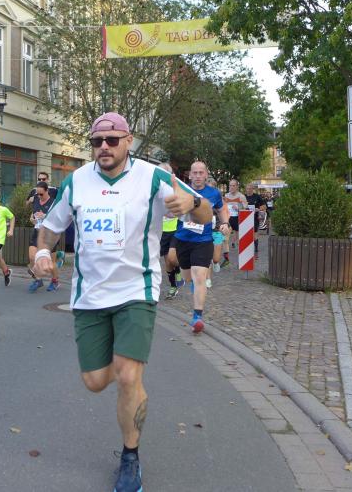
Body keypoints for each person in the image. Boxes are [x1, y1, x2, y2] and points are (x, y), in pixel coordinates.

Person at [34, 112, 212, 492]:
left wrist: (193, 201)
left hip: (137, 291)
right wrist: (42, 254)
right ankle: (127, 372)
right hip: (90, 296)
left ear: (128, 141)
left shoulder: (153, 177)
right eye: (97, 141)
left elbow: (206, 212)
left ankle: (130, 456)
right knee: (95, 381)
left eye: (112, 140)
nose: (104, 147)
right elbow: (50, 228)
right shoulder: (77, 181)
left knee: (128, 376)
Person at [173, 162, 230, 333]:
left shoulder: (214, 193)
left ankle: (197, 317)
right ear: (190, 175)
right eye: (195, 173)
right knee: (188, 277)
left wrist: (225, 222)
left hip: (203, 240)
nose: (198, 176)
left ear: (206, 175)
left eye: (201, 173)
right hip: (182, 239)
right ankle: (195, 285)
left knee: (200, 276)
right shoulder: (182, 190)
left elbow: (222, 209)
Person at [27, 181, 60, 292]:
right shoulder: (36, 199)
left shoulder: (53, 203)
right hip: (37, 232)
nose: (39, 196)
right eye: (37, 194)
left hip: (50, 234)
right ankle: (38, 280)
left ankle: (55, 281)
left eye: (41, 194)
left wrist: (45, 216)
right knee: (32, 257)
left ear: (47, 191)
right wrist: (32, 219)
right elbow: (33, 214)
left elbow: (58, 219)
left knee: (51, 261)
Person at [158, 163, 183, 299]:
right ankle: (173, 285)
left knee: (171, 259)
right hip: (159, 233)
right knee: (166, 262)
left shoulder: (175, 190)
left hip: (174, 230)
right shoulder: (154, 190)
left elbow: (181, 211)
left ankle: (178, 272)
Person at [223, 179, 247, 263]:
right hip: (228, 218)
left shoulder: (241, 196)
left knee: (239, 238)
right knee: (225, 238)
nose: (232, 187)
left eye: (233, 185)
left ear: (237, 186)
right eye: (230, 185)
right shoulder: (226, 195)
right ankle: (226, 259)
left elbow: (246, 208)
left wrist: (238, 209)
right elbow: (223, 207)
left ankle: (242, 257)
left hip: (238, 218)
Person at [245, 183, 267, 257]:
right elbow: (240, 206)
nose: (248, 190)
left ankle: (256, 248)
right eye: (247, 189)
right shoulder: (243, 197)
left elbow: (264, 206)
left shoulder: (257, 196)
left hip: (254, 217)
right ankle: (246, 247)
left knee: (254, 233)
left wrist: (258, 209)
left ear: (252, 189)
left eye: (250, 189)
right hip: (244, 219)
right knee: (246, 233)